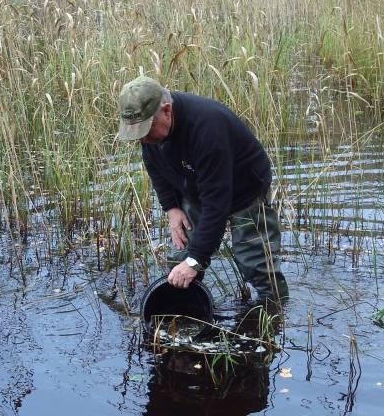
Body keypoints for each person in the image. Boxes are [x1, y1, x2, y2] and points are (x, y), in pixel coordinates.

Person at [116, 76, 288, 301]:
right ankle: (188, 309)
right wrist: (172, 208)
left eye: (146, 131)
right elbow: (155, 166)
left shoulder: (207, 127)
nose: (143, 140)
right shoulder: (151, 138)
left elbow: (216, 204)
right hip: (198, 186)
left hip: (245, 191)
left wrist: (196, 260)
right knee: (180, 257)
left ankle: (274, 316)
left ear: (167, 111)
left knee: (254, 264)